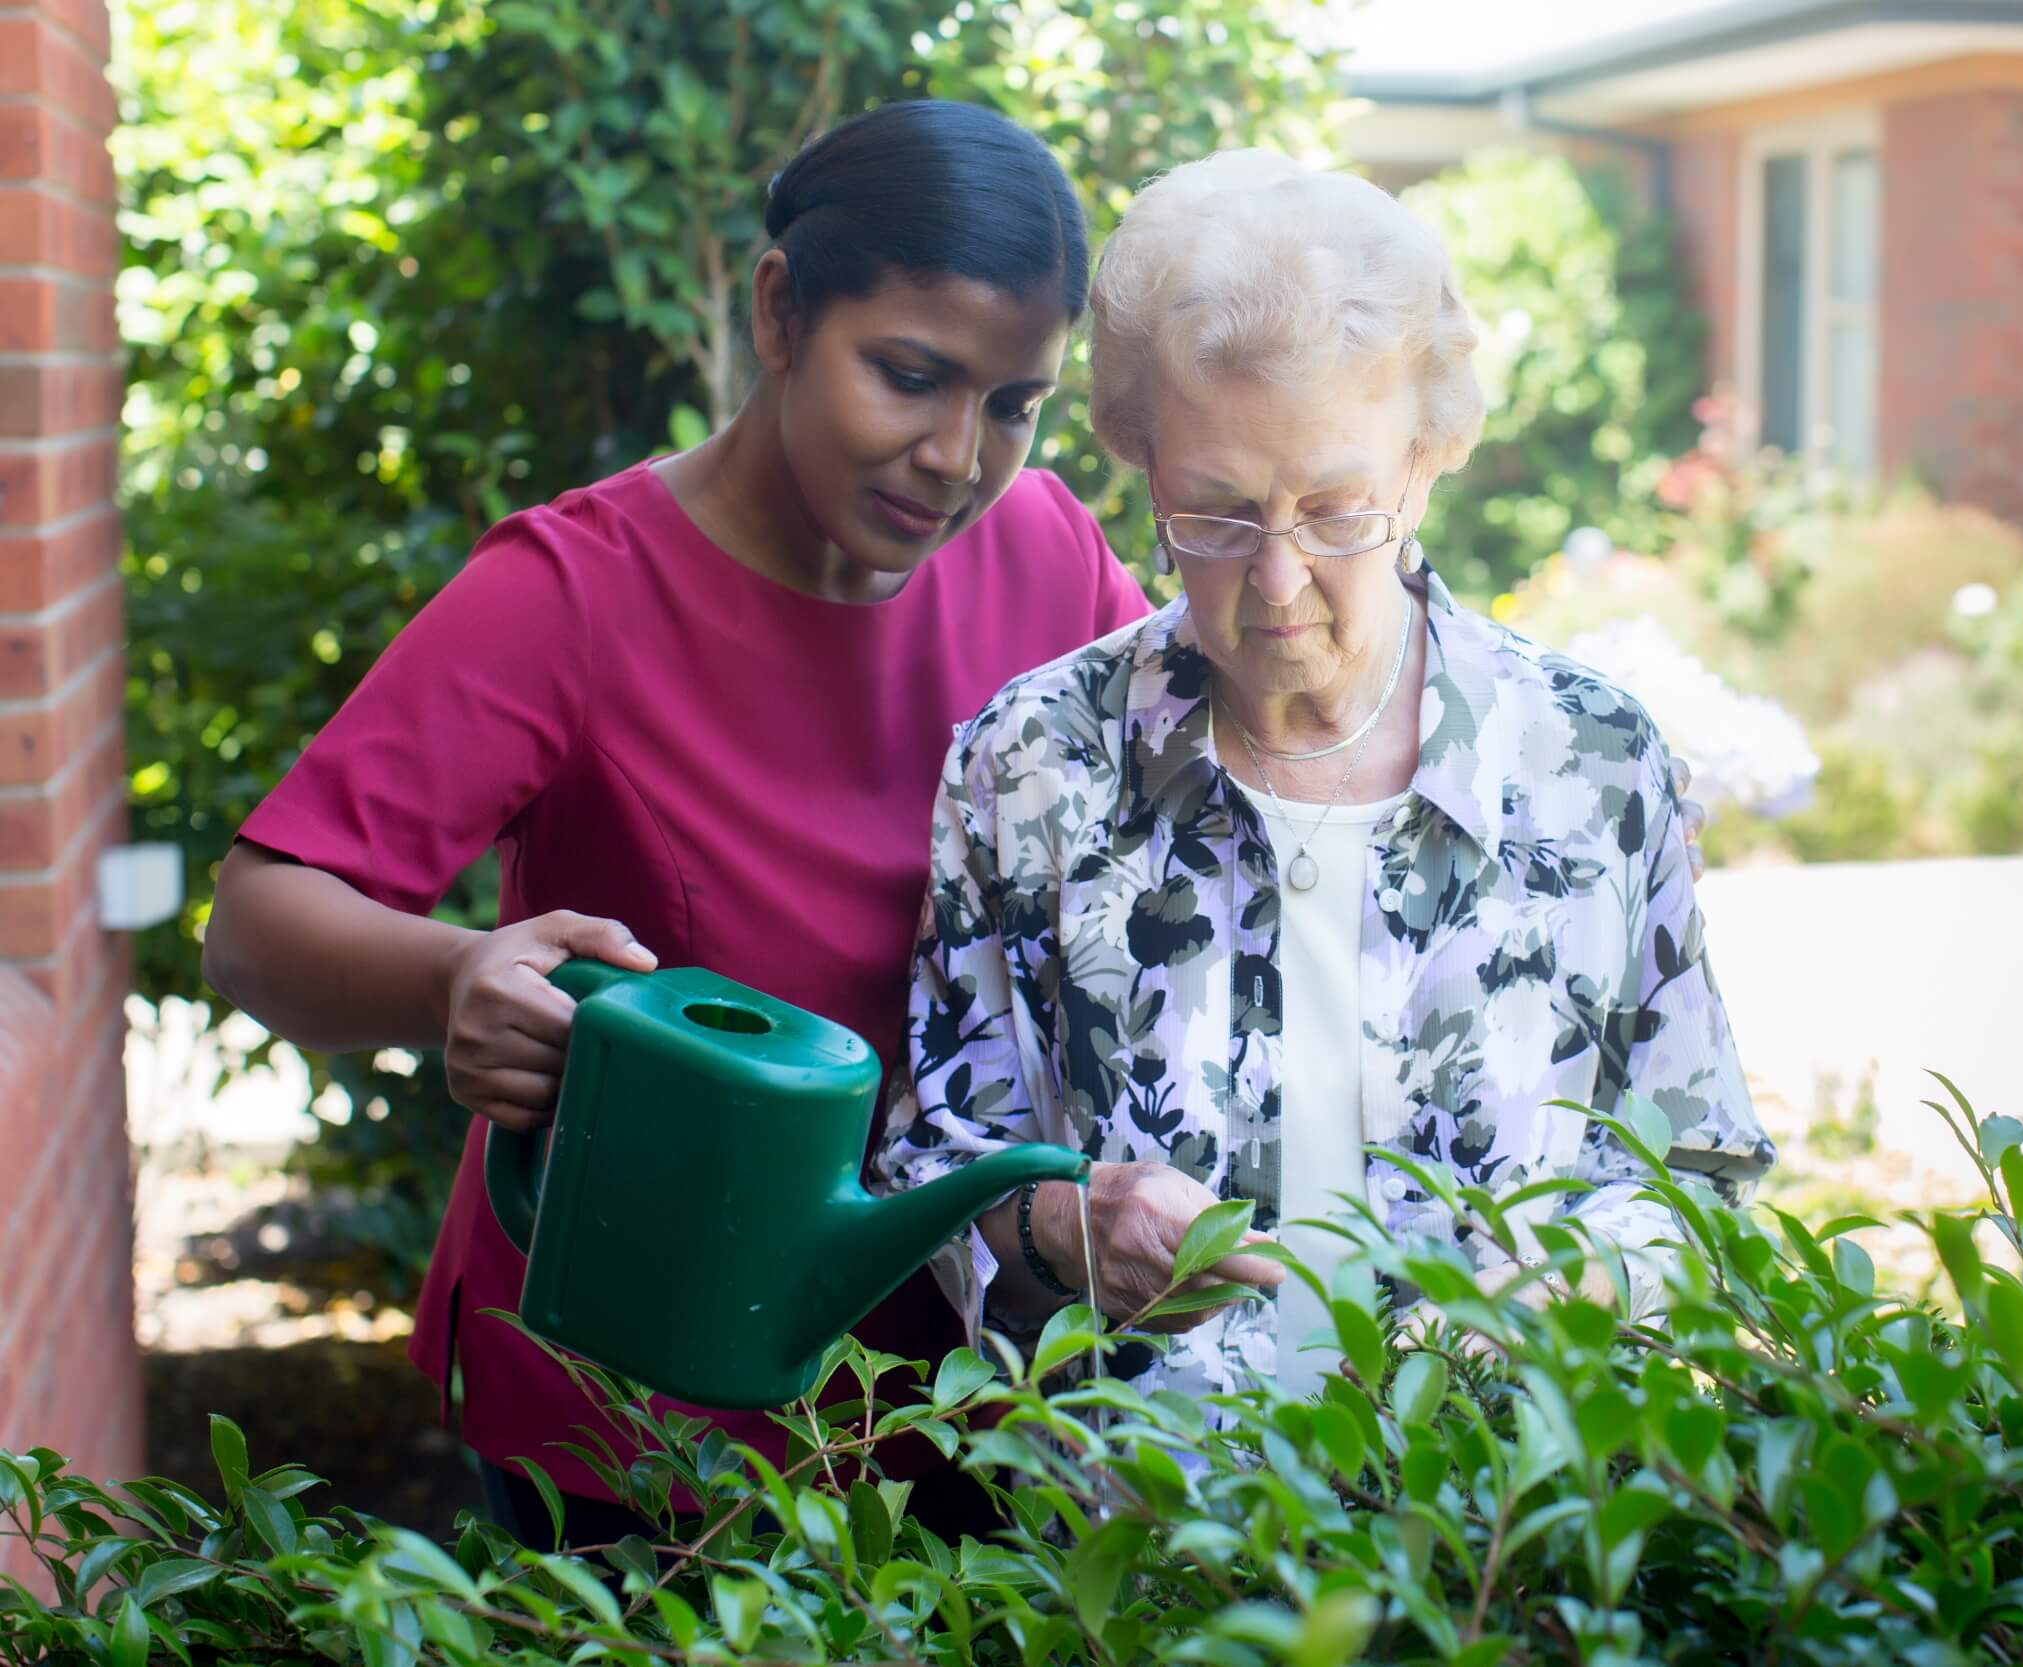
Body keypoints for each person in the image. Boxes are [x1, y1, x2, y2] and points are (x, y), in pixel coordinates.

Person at [201, 100, 1149, 1546]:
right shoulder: (573, 594)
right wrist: (456, 972)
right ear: (780, 311)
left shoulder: (1046, 549)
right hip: (639, 1401)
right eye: (910, 375)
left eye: (1015, 403)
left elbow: (1198, 812)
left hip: (962, 1374)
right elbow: (258, 921)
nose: (959, 453)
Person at [874, 151, 1775, 1403]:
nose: (1280, 579)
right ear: (1143, 461)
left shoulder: (1588, 758)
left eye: (1339, 510)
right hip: (1128, 1558)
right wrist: (1062, 1225)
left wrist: (1598, 1276)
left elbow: (1695, 1174)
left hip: (1503, 1536)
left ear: (1425, 459)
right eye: (1218, 515)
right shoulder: (1031, 766)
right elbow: (934, 1168)